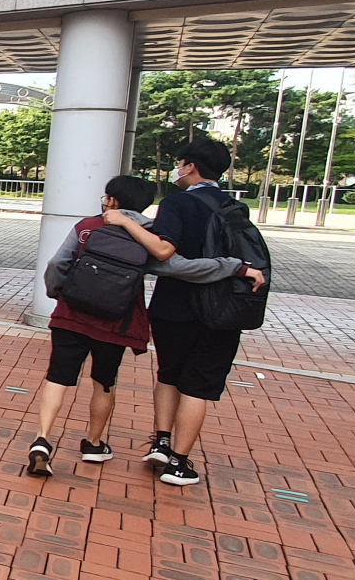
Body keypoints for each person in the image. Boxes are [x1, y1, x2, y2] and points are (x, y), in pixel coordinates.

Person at [29, 176, 260, 478]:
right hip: (116, 321)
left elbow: (57, 264)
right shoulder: (148, 236)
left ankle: (43, 439)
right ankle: (94, 444)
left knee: (58, 377)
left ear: (111, 200)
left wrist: (59, 293)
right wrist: (235, 266)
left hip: (71, 316)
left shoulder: (87, 227)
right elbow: (185, 269)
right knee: (104, 381)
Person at [142, 138, 255, 488]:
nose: (177, 169)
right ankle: (179, 463)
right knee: (199, 386)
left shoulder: (176, 204)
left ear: (190, 165)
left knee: (169, 374)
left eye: (179, 163)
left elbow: (163, 255)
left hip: (173, 306)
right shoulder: (235, 208)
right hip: (222, 310)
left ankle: (161, 442)